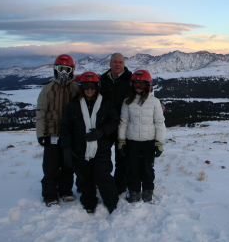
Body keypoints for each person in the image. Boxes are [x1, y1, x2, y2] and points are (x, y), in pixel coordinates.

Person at [60, 72, 119, 214]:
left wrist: (101, 132)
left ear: (97, 87)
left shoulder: (105, 103)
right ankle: (88, 203)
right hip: (80, 149)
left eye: (92, 86)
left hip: (101, 148)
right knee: (85, 178)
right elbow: (65, 127)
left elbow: (114, 121)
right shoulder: (73, 105)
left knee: (103, 176)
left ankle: (112, 203)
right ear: (81, 87)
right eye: (86, 86)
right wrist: (66, 147)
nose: (89, 89)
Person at [36, 54, 79, 207]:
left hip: (70, 136)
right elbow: (41, 111)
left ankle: (66, 191)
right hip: (51, 134)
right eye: (61, 68)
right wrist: (41, 134)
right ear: (55, 69)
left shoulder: (76, 88)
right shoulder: (48, 89)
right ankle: (50, 195)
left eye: (67, 69)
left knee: (68, 165)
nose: (64, 72)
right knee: (50, 166)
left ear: (72, 70)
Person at [117, 70, 166, 203]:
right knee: (132, 169)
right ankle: (133, 192)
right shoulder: (127, 102)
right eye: (135, 85)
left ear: (148, 85)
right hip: (132, 141)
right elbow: (123, 122)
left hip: (148, 142)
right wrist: (121, 140)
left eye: (141, 85)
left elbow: (159, 122)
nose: (138, 88)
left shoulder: (154, 102)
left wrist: (159, 142)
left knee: (147, 168)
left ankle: (148, 191)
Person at [100, 53, 132, 195]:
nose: (118, 64)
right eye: (115, 62)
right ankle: (104, 184)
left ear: (124, 64)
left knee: (123, 158)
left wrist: (158, 105)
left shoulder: (131, 80)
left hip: (124, 126)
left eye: (120, 62)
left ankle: (120, 187)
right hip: (106, 126)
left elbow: (143, 94)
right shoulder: (102, 80)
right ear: (110, 64)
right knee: (103, 158)